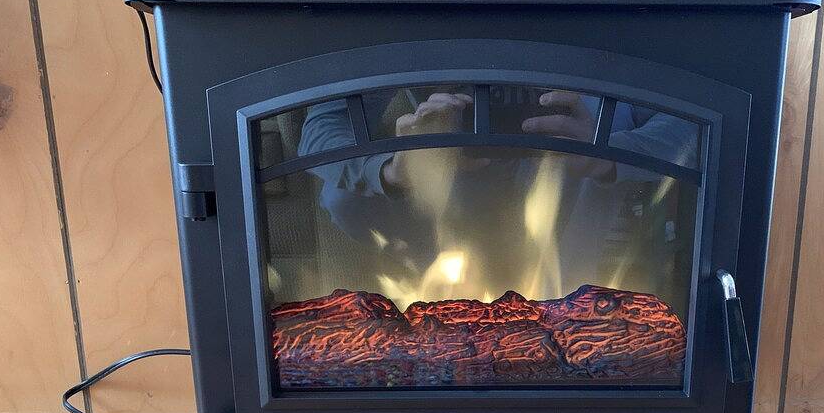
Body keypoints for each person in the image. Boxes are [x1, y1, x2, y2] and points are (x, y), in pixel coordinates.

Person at [296, 86, 698, 306]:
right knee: (345, 196)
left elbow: (696, 121)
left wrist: (609, 153)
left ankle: (568, 314)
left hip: (583, 190)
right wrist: (397, 169)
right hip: (452, 190)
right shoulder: (401, 6)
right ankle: (451, 309)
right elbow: (321, 132)